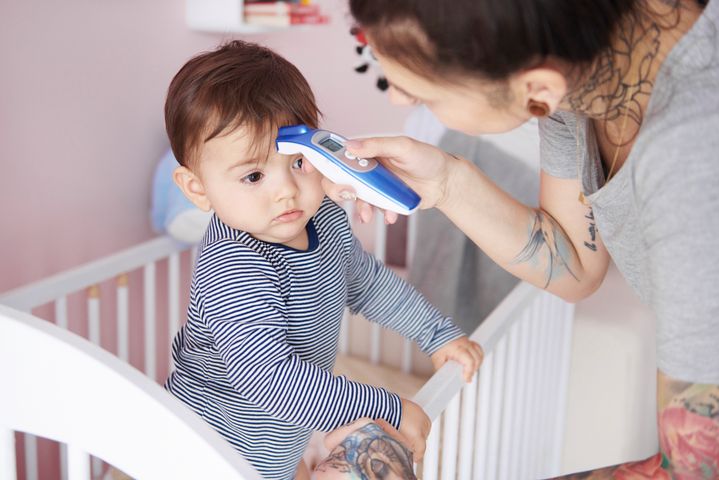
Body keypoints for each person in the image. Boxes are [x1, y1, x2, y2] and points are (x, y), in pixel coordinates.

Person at [310, 0, 719, 478]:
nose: (399, 100)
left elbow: (697, 469)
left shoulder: (692, 158)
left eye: (426, 96)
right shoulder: (582, 74)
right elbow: (574, 265)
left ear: (536, 89)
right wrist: (446, 183)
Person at [162, 40, 483, 480]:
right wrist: (385, 407)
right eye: (254, 175)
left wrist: (437, 334)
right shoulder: (233, 265)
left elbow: (369, 286)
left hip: (273, 445)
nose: (285, 191)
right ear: (198, 189)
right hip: (202, 454)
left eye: (298, 162)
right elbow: (270, 379)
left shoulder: (326, 220)